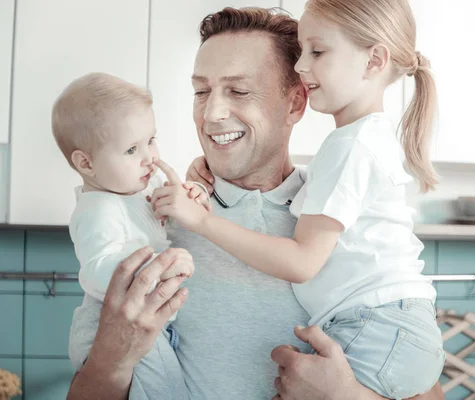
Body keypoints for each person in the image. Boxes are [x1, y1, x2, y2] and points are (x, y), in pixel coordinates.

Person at [66, 7, 445, 400]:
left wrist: (347, 397)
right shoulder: (156, 224)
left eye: (239, 91)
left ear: (297, 103)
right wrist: (113, 357)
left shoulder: (346, 229)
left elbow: (425, 386)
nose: (211, 114)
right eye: (201, 92)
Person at [52, 72, 204, 399]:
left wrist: (189, 200)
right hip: (104, 328)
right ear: (86, 163)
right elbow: (98, 271)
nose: (150, 156)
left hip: (146, 324)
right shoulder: (98, 210)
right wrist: (158, 267)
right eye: (132, 149)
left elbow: (168, 231)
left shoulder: (135, 191)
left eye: (151, 140)